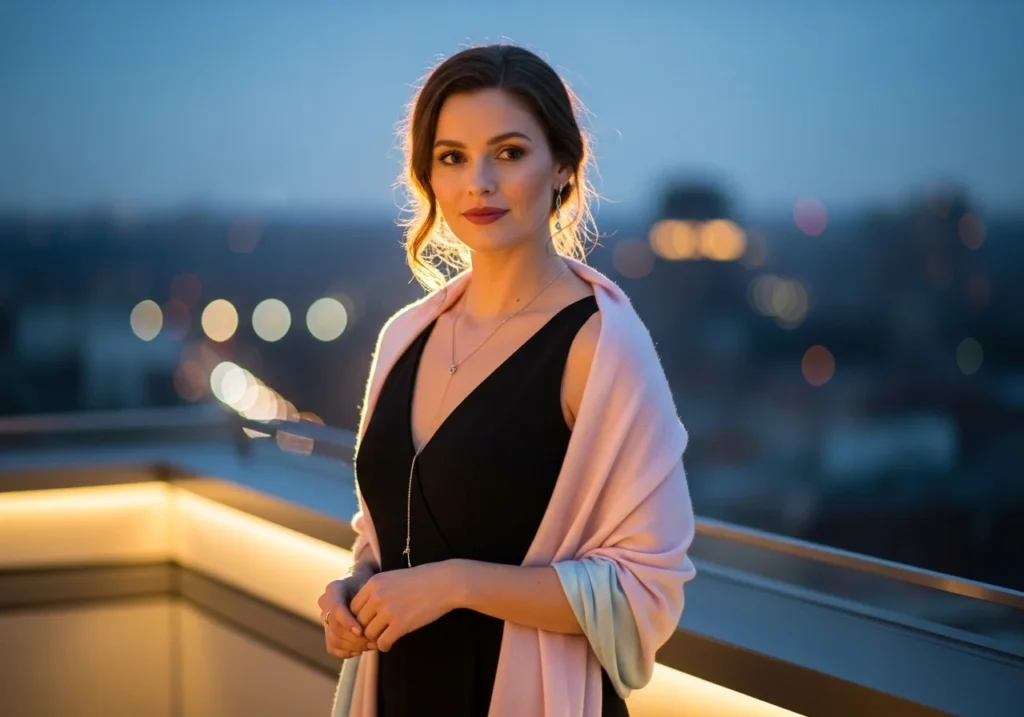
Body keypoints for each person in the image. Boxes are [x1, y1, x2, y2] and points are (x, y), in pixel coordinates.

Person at [317, 44, 696, 717]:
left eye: (510, 152)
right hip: (399, 692)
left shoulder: (601, 345)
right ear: (428, 175)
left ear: (564, 166)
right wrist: (356, 585)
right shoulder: (404, 336)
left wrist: (455, 585)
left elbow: (644, 589)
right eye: (452, 157)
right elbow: (388, 532)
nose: (479, 183)